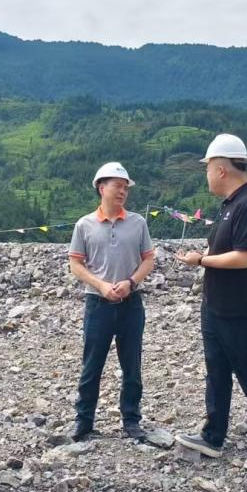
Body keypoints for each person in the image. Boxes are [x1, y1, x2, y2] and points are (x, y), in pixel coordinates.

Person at [174, 133, 247, 471]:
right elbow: (221, 248)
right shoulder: (229, 206)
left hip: (243, 310)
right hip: (216, 306)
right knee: (216, 372)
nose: (206, 175)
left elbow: (244, 257)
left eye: (207, 168)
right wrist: (202, 255)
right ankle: (213, 436)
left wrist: (201, 261)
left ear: (220, 169)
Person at [67, 162, 155, 442]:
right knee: (92, 365)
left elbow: (148, 259)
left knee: (132, 365)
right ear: (101, 187)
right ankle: (83, 421)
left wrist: (131, 282)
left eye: (126, 187)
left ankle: (132, 420)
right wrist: (101, 285)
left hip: (131, 303)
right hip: (97, 304)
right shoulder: (84, 225)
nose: (123, 191)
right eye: (118, 185)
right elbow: (76, 264)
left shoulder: (138, 223)